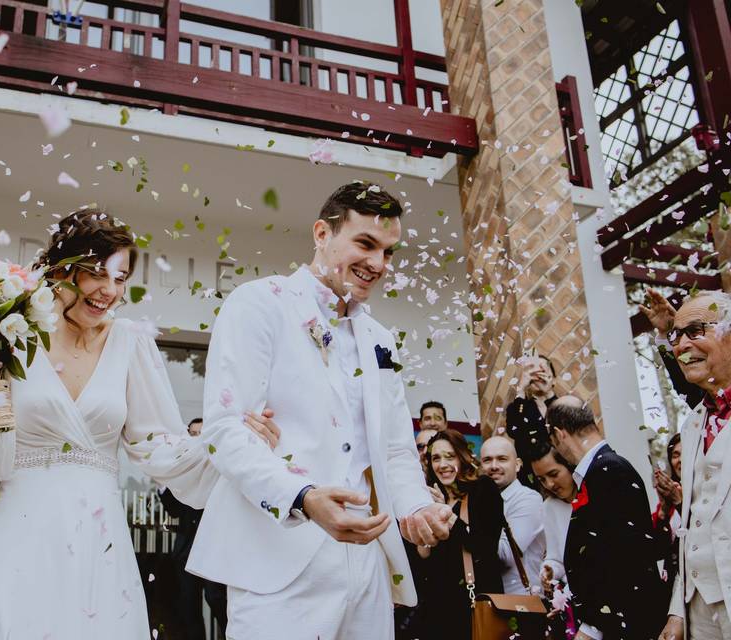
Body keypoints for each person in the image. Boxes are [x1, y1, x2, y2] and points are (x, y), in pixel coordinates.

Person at [0, 211, 276, 639]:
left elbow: (161, 447)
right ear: (61, 270)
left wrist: (236, 439)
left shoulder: (129, 343)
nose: (110, 291)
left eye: (120, 278)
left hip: (97, 544)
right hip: (16, 534)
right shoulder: (6, 336)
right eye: (97, 273)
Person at [187, 182, 454, 640]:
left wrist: (416, 509)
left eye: (388, 252)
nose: (378, 263)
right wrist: (304, 497)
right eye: (366, 243)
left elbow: (393, 450)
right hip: (277, 561)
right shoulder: (258, 304)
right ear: (322, 234)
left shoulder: (380, 340)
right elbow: (225, 431)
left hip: (368, 565)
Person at [547, 396, 667, 640]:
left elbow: (622, 557)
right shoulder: (599, 470)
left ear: (559, 434)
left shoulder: (609, 471)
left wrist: (593, 626)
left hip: (623, 625)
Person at [657, 291, 731, 640]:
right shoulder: (691, 425)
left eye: (696, 330)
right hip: (698, 607)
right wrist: (677, 611)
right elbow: (691, 524)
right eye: (675, 335)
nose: (682, 345)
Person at [408, 429, 505, 640]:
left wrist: (447, 513)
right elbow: (423, 556)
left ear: (462, 457)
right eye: (436, 458)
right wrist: (425, 515)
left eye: (449, 456)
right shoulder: (429, 497)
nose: (442, 464)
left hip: (472, 605)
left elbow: (485, 547)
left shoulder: (483, 489)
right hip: (437, 607)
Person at [159, 418, 229, 640]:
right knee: (188, 605)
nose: (197, 437)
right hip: (186, 549)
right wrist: (164, 484)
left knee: (216, 596)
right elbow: (175, 511)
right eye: (193, 433)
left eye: (201, 433)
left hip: (214, 547)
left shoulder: (220, 468)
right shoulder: (183, 472)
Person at [479, 435, 545, 595]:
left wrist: (462, 529)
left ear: (517, 465)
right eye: (487, 460)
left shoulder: (528, 500)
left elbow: (505, 555)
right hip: (487, 603)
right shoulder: (478, 501)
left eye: (502, 459)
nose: (494, 466)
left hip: (520, 604)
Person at [530, 446, 579, 640]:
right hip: (572, 605)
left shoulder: (595, 497)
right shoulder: (549, 506)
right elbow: (556, 558)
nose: (550, 484)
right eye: (542, 479)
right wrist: (549, 569)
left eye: (553, 474)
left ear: (569, 466)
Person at [506, 354, 558, 488]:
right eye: (531, 370)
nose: (536, 374)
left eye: (542, 370)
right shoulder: (519, 407)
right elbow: (513, 430)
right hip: (532, 480)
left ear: (554, 380)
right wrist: (521, 389)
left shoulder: (563, 405)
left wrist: (549, 395)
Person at [651, 433, 681, 594]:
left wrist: (680, 502)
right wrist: (663, 509)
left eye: (685, 453)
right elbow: (657, 551)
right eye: (675, 455)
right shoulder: (668, 501)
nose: (680, 460)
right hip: (674, 587)